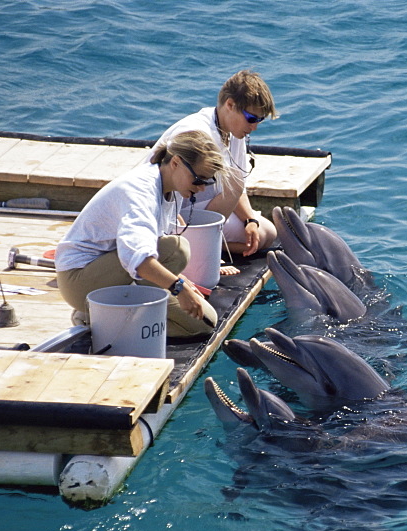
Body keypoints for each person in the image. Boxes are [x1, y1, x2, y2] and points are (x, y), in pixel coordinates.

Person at [55, 130, 224, 338]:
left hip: (114, 270)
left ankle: (106, 317)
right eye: (198, 179)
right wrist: (180, 288)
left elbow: (150, 247)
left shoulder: (175, 188)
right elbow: (139, 258)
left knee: (203, 322)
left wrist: (182, 282)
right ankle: (94, 315)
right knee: (176, 249)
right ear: (176, 163)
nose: (200, 188)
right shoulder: (140, 191)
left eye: (207, 183)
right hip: (79, 279)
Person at [149, 70, 279, 258]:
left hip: (201, 208)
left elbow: (236, 186)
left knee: (266, 232)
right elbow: (168, 194)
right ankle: (201, 246)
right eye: (251, 118)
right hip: (168, 214)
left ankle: (209, 243)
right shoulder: (196, 134)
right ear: (230, 105)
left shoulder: (234, 132)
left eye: (260, 120)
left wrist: (250, 220)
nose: (254, 127)